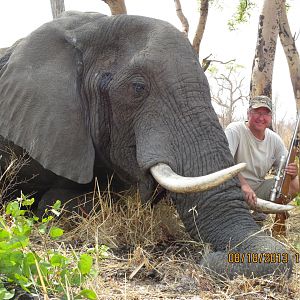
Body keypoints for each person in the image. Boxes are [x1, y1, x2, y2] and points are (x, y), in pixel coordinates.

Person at [225, 95, 299, 218]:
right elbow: (225, 161)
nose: (261, 118)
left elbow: (287, 167)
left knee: (295, 183)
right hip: (233, 187)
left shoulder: (274, 139)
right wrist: (243, 185)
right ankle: (244, 213)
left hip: (257, 189)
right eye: (257, 112)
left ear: (270, 118)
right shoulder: (235, 129)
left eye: (266, 114)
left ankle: (272, 214)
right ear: (248, 113)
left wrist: (294, 172)